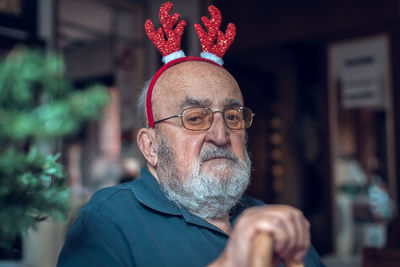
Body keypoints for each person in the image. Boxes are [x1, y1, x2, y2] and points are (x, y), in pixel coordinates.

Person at [57, 3, 325, 267]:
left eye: (232, 117)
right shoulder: (108, 221)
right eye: (195, 118)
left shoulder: (268, 219)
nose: (221, 135)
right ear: (150, 146)